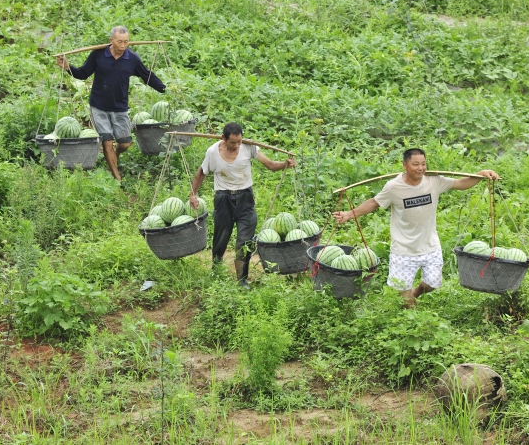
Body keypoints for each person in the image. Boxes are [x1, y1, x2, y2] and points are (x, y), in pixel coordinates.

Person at [333, 148, 499, 307]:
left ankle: (416, 292)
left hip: (430, 245)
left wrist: (481, 174)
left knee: (431, 284)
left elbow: (461, 183)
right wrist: (349, 214)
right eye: (416, 164)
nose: (421, 168)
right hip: (403, 249)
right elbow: (374, 203)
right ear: (405, 165)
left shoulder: (434, 181)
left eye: (423, 164)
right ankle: (414, 318)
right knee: (403, 292)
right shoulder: (393, 187)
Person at [189, 123, 296, 289]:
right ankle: (216, 271)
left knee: (245, 240)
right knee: (221, 237)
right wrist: (192, 194)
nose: (237, 145)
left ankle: (242, 279)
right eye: (233, 142)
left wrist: (285, 164)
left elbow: (269, 165)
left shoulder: (249, 147)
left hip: (245, 198)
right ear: (223, 138)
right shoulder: (212, 152)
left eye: (239, 141)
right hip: (223, 198)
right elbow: (201, 172)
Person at [56, 26, 166, 181]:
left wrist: (164, 89)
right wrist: (68, 67)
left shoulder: (132, 59)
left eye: (126, 42)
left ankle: (116, 154)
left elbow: (147, 75)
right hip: (99, 106)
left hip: (120, 107)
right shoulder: (98, 54)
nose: (123, 45)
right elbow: (83, 73)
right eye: (119, 42)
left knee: (125, 143)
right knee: (107, 141)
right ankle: (117, 178)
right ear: (111, 40)